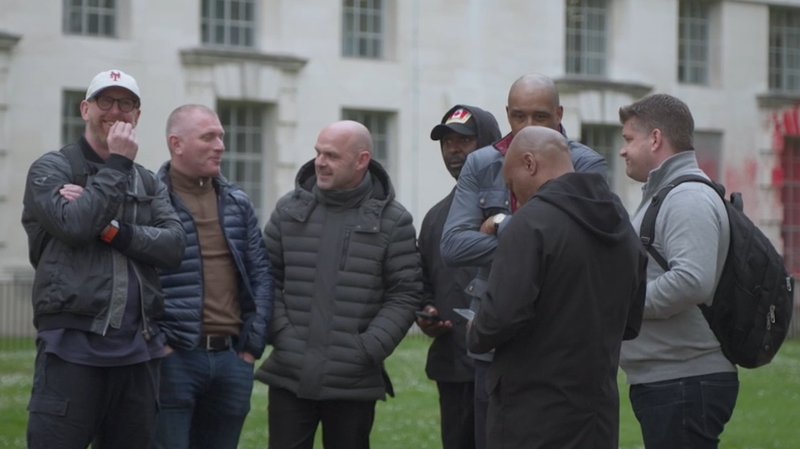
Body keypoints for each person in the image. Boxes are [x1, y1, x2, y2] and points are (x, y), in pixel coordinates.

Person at [439, 73, 607, 449]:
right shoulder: (482, 163)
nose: (528, 126)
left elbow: (587, 241)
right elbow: (453, 246)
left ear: (559, 114)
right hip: (495, 334)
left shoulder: (585, 163)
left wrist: (502, 225)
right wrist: (542, 244)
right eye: (519, 116)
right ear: (507, 115)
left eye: (540, 116)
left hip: (563, 335)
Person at [20, 69, 186, 449]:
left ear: (137, 116)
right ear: (85, 109)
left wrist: (113, 231)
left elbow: (174, 247)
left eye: (126, 103)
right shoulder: (52, 168)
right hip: (71, 347)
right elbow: (76, 226)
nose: (115, 111)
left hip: (138, 352)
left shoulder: (148, 181)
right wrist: (117, 165)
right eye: (105, 101)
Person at [465, 125, 646, 449]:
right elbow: (631, 322)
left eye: (511, 184)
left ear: (530, 163)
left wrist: (474, 328)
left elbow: (499, 318)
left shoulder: (530, 225)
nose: (513, 197)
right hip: (597, 414)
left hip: (532, 415)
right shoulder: (620, 221)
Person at [255, 120, 423, 449]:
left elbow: (404, 294)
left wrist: (367, 349)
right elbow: (265, 279)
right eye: (318, 153)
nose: (320, 162)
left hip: (354, 382)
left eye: (331, 155)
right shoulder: (289, 210)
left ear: (362, 161)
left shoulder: (394, 221)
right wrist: (283, 337)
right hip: (290, 374)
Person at [618, 94, 738, 449]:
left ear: (655, 139)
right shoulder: (667, 193)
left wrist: (624, 304)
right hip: (672, 380)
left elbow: (692, 281)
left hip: (685, 380)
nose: (623, 150)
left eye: (628, 139)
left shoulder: (687, 198)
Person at [152, 104, 274, 449]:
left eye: (220, 136)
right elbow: (135, 278)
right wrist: (159, 344)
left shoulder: (236, 202)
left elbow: (260, 275)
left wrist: (250, 347)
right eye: (208, 137)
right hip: (173, 360)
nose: (220, 145)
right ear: (176, 144)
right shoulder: (149, 201)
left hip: (231, 360)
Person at [417, 105, 501, 449]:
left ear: (490, 144)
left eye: (464, 141)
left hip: (504, 370)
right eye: (447, 142)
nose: (453, 150)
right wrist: (426, 313)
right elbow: (423, 283)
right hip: (453, 368)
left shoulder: (516, 208)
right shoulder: (435, 217)